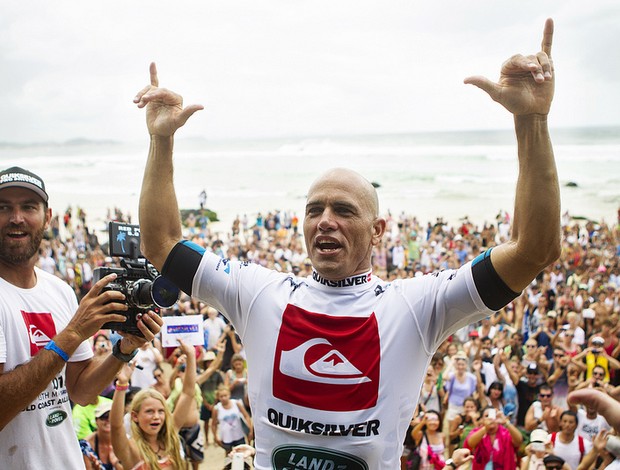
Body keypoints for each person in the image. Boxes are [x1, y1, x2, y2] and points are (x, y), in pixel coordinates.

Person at [136, 19, 560, 469]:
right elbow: (162, 244)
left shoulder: (417, 307)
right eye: (314, 209)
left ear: (378, 231)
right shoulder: (257, 293)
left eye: (344, 210)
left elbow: (534, 249)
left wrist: (531, 120)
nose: (325, 222)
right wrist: (160, 141)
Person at [0, 166, 163, 468]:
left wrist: (124, 349)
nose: (17, 218)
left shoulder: (59, 290)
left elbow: (81, 391)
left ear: (47, 218)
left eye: (29, 207)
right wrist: (72, 333)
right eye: (4, 207)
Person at [110, 340, 197, 470]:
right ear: (134, 416)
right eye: (149, 411)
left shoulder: (170, 437)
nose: (156, 416)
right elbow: (116, 426)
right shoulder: (131, 450)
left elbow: (188, 393)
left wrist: (191, 355)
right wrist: (122, 384)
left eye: (161, 411)